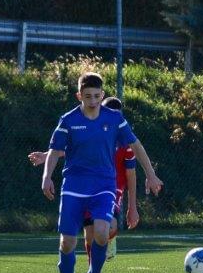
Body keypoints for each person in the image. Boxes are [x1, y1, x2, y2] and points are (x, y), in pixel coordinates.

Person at [42, 73, 162, 273]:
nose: (93, 101)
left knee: (101, 231)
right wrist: (47, 177)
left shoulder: (114, 119)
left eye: (97, 96)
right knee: (67, 242)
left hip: (104, 185)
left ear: (102, 95)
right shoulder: (68, 120)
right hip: (74, 187)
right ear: (79, 96)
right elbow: (55, 151)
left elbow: (136, 145)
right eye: (88, 96)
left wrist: (151, 174)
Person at [28, 96, 139, 260]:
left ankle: (110, 240)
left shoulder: (126, 143)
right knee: (89, 236)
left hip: (112, 187)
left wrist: (132, 207)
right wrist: (46, 156)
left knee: (108, 227)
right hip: (88, 185)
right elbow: (72, 149)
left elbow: (131, 175)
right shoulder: (93, 130)